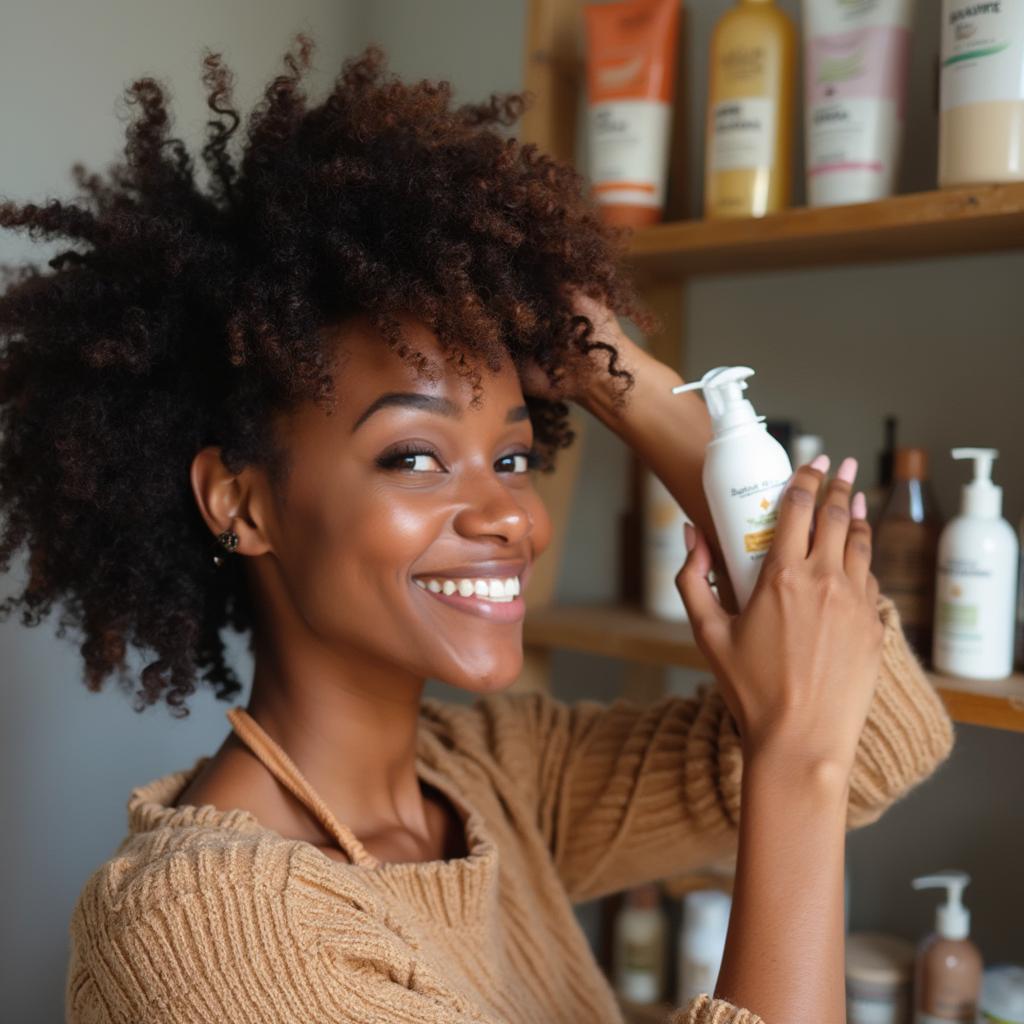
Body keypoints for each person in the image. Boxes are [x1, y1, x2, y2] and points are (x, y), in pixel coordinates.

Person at [0, 38, 952, 1024]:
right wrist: (791, 765)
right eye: (413, 456)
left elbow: (881, 733)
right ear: (240, 503)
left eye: (508, 457)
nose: (510, 515)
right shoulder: (197, 931)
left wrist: (614, 372)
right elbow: (825, 753)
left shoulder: (491, 777)